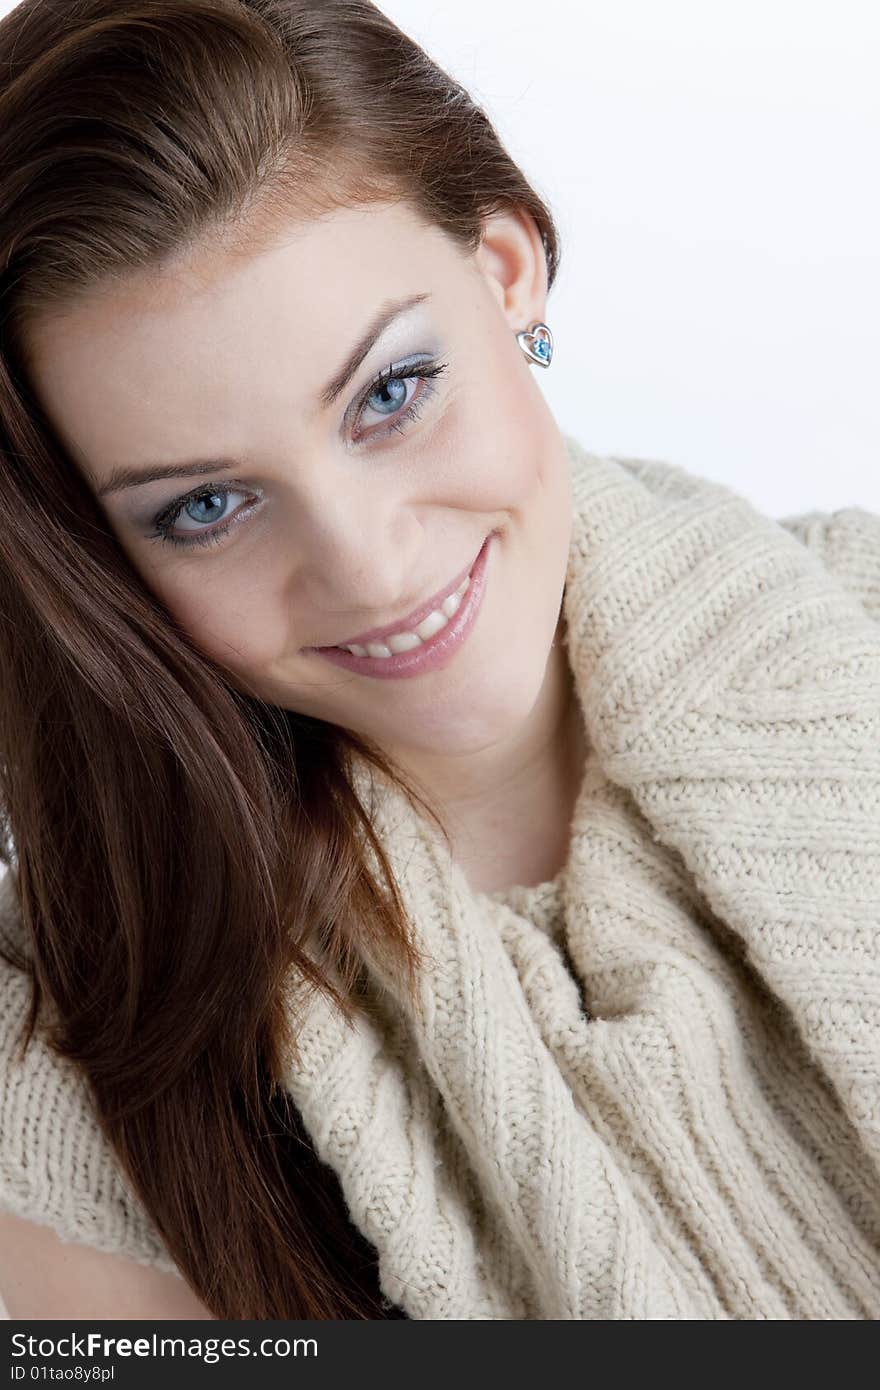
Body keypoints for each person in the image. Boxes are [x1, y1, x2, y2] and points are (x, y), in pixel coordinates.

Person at [0, 0, 878, 1323]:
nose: (367, 564)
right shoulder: (63, 1067)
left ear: (507, 269)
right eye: (204, 506)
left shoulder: (859, 610)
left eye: (390, 394)